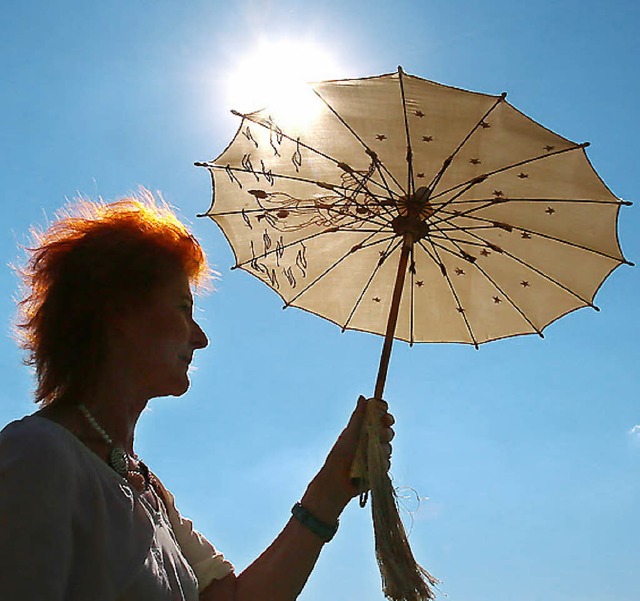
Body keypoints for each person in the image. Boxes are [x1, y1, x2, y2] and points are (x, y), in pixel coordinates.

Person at [0, 191, 394, 601]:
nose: (201, 338)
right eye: (182, 307)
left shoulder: (148, 490)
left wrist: (330, 488)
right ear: (118, 311)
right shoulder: (39, 454)